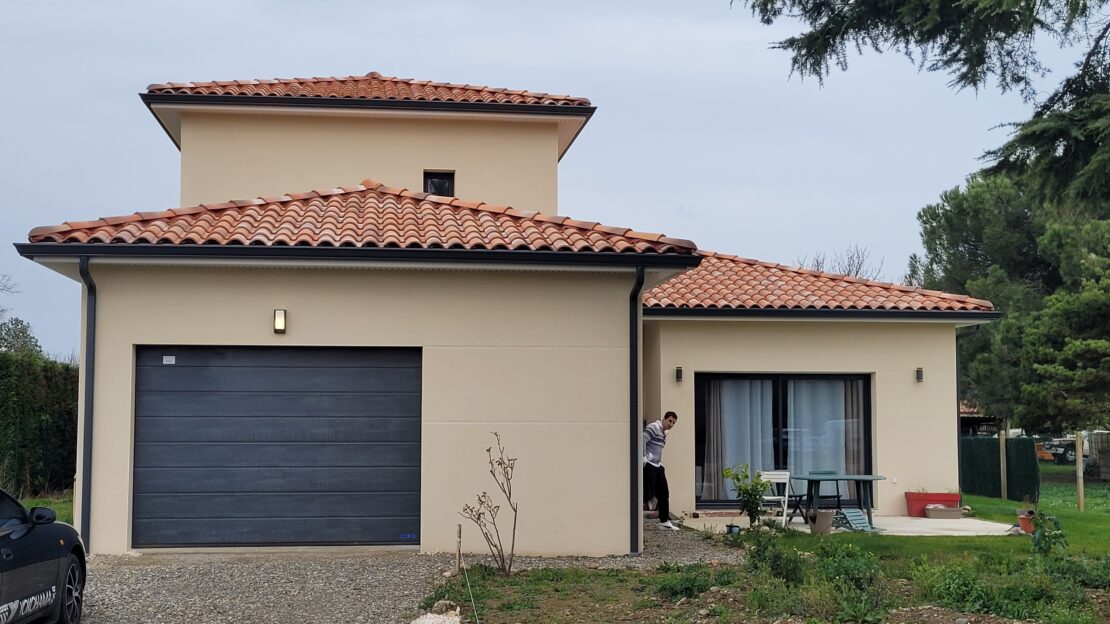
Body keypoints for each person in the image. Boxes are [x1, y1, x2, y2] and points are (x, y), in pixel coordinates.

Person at [644, 411, 679, 530]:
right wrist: (644, 458)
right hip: (649, 464)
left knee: (664, 493)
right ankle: (630, 517)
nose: (671, 424)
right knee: (647, 493)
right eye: (669, 421)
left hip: (658, 465)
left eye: (673, 423)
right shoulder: (654, 427)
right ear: (664, 419)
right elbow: (642, 440)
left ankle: (664, 521)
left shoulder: (665, 432)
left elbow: (658, 448)